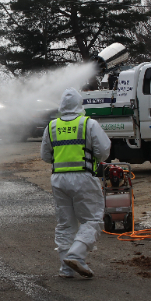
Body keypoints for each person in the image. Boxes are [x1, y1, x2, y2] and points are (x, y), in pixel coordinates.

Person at [40, 88, 111, 278]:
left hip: (59, 179)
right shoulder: (89, 124)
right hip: (83, 177)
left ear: (62, 106)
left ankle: (66, 268)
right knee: (92, 219)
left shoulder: (52, 126)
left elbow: (45, 156)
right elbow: (103, 151)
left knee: (65, 224)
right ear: (80, 104)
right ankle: (76, 256)